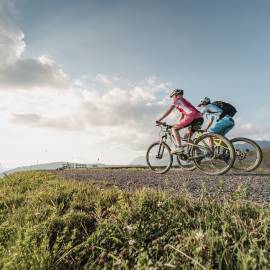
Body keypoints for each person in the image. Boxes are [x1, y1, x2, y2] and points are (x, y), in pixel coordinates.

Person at [156, 89, 203, 154]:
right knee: (186, 138)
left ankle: (179, 147)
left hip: (191, 116)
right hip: (199, 118)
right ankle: (199, 152)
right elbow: (183, 115)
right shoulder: (184, 101)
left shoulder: (177, 100)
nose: (172, 99)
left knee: (174, 129)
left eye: (172, 97)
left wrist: (159, 119)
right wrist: (178, 124)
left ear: (175, 95)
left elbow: (169, 111)